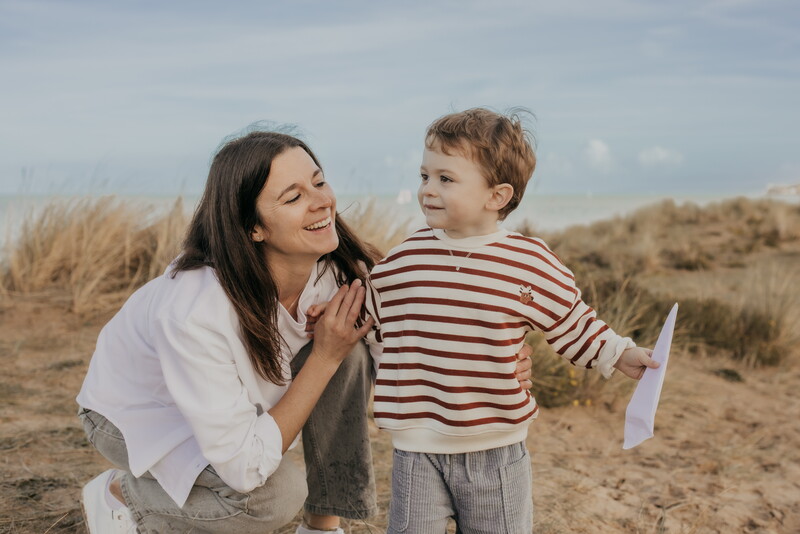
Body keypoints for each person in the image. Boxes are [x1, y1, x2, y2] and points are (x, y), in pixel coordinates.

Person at [76, 129, 534, 533]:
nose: (322, 202)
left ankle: (322, 526)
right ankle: (123, 497)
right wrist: (325, 355)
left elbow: (404, 342)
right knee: (270, 499)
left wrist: (492, 360)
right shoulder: (194, 309)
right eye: (293, 197)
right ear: (252, 227)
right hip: (136, 414)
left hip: (223, 405)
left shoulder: (342, 273)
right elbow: (243, 469)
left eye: (318, 181)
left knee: (349, 344)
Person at [363, 108, 660, 533]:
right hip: (416, 444)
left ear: (497, 196)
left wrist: (619, 352)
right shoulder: (406, 257)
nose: (427, 189)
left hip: (495, 447)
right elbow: (368, 314)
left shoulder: (528, 261)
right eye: (424, 176)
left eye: (446, 179)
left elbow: (572, 321)